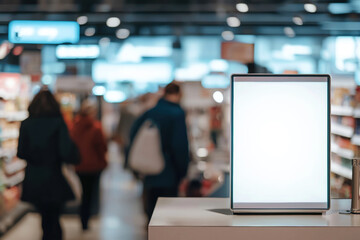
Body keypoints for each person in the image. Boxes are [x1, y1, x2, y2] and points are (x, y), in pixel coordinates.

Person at [17, 88, 80, 240]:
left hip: (34, 179)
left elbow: (21, 153)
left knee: (44, 218)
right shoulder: (58, 123)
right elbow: (66, 152)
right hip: (54, 177)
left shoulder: (26, 124)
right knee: (55, 218)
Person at [126, 82, 190, 221]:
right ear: (179, 94)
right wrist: (183, 171)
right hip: (169, 172)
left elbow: (133, 135)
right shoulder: (177, 114)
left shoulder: (150, 112)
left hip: (149, 171)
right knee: (167, 214)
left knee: (152, 211)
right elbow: (179, 146)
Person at [71, 99, 107, 230]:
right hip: (94, 165)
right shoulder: (96, 127)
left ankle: (83, 219)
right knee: (90, 194)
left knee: (84, 193)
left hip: (79, 165)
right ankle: (87, 218)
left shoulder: (75, 126)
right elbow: (102, 147)